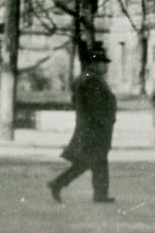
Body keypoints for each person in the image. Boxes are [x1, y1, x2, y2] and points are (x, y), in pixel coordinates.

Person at [47, 42, 117, 204]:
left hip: (89, 127)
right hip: (94, 129)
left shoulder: (86, 78)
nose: (106, 67)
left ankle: (97, 193)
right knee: (93, 161)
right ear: (96, 64)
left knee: (91, 162)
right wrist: (105, 122)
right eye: (104, 64)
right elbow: (96, 106)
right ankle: (60, 184)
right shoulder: (92, 80)